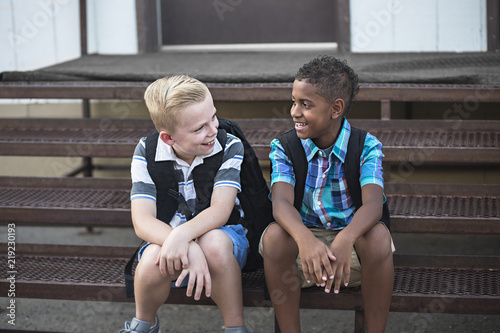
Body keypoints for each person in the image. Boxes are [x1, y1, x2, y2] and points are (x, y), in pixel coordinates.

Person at [260, 56, 395, 333]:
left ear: (336, 108)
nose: (294, 112)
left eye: (305, 104)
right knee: (275, 237)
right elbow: (281, 202)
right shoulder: (284, 147)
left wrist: (346, 238)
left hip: (351, 257)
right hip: (300, 257)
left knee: (378, 236)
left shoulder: (366, 146)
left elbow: (373, 205)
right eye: (294, 101)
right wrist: (305, 239)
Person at [120, 75, 252, 333]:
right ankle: (143, 325)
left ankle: (236, 328)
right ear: (168, 139)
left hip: (224, 240)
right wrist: (186, 245)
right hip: (167, 242)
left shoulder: (228, 146)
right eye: (199, 128)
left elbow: (220, 211)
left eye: (213, 117)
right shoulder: (146, 151)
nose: (213, 129)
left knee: (212, 243)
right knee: (151, 259)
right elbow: (143, 221)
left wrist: (185, 237)